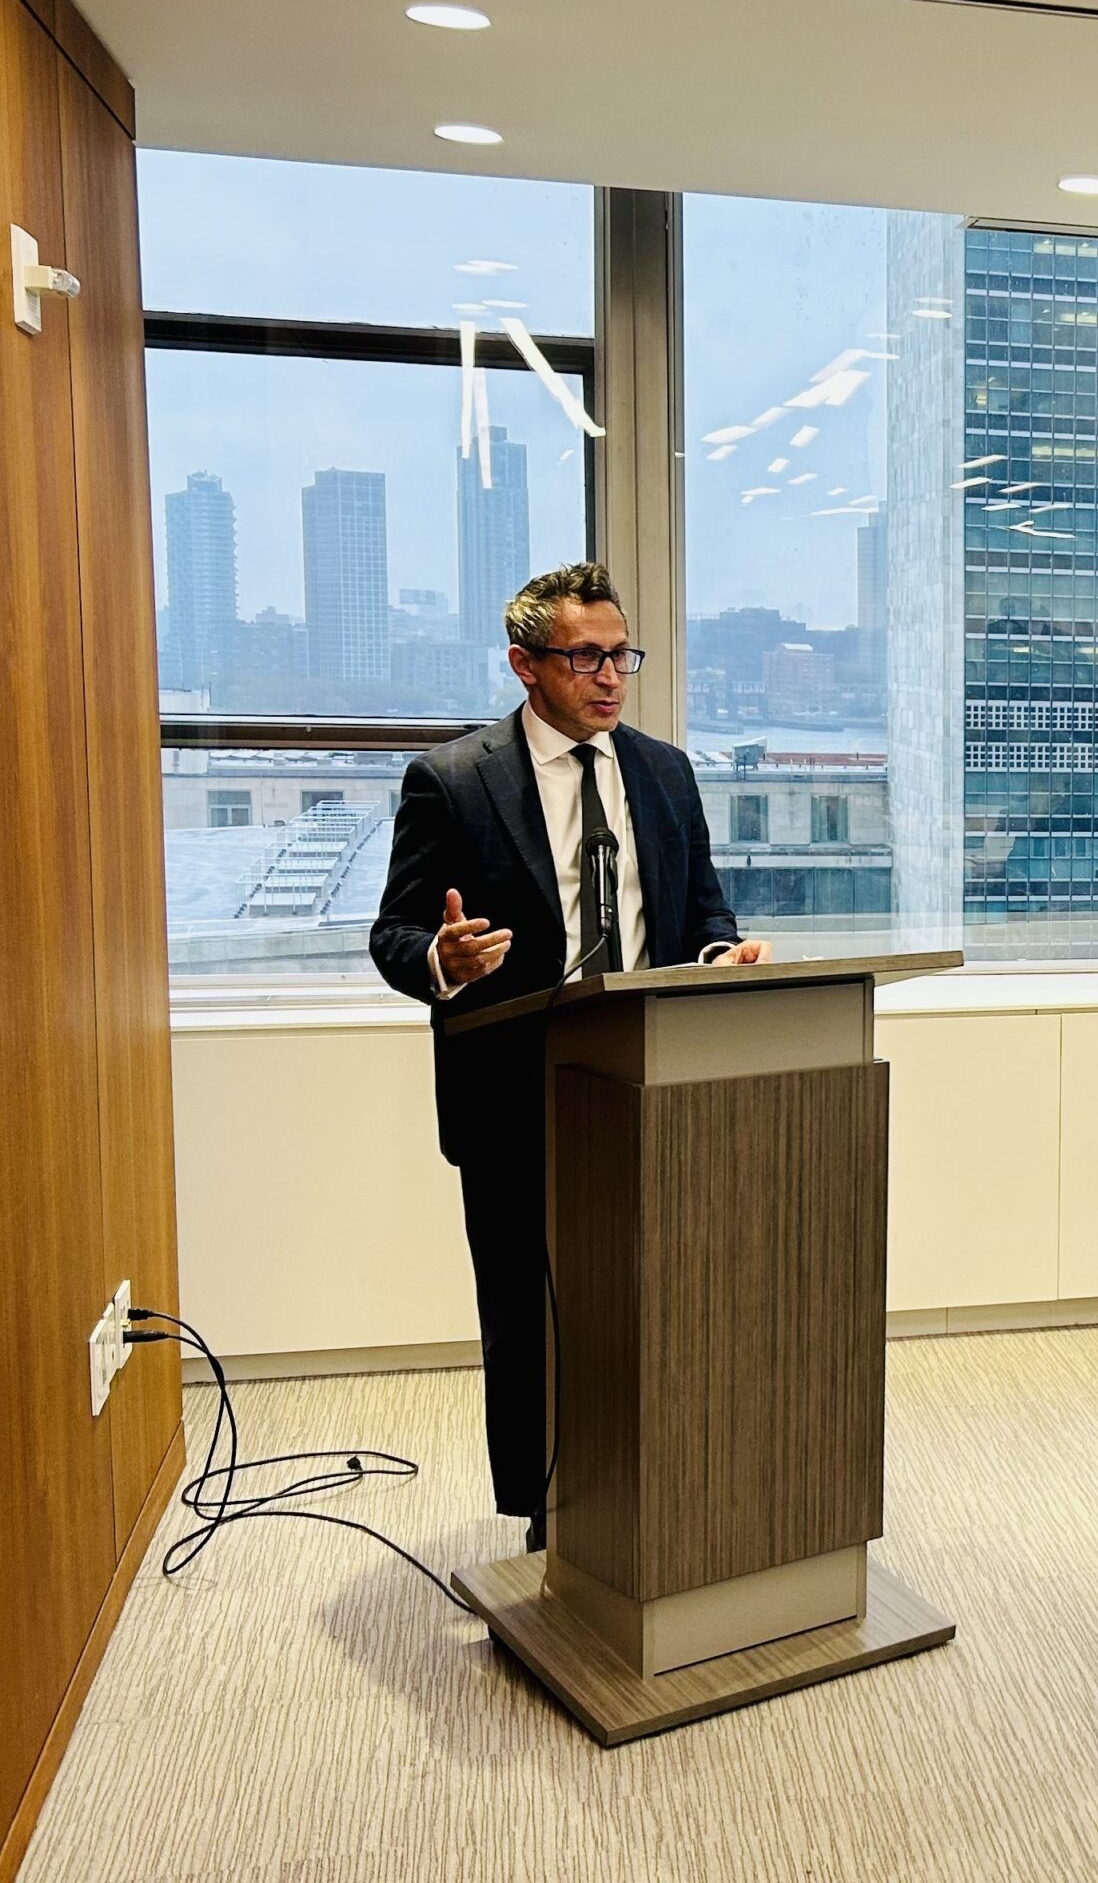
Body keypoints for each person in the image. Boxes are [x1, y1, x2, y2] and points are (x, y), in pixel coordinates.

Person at [369, 563, 768, 1552]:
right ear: (524, 665)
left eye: (620, 655)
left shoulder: (666, 772)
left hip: (653, 1082)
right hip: (514, 1099)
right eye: (583, 656)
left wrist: (721, 954)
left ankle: (662, 1493)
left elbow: (699, 911)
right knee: (531, 1323)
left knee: (660, 1306)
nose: (609, 676)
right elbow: (395, 933)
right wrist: (441, 960)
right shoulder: (454, 781)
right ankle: (547, 1517)